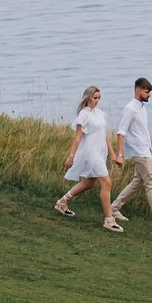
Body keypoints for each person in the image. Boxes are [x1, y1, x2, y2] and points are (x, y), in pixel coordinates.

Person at [109, 77, 152, 230]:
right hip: (138, 152)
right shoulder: (130, 109)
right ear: (138, 91)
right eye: (147, 92)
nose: (149, 95)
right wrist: (120, 155)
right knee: (151, 183)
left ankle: (114, 208)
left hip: (145, 150)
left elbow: (144, 132)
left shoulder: (141, 107)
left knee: (138, 182)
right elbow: (121, 133)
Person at [55, 86, 117, 228]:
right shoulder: (83, 115)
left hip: (100, 153)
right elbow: (77, 138)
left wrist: (113, 154)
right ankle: (109, 220)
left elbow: (105, 134)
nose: (97, 101)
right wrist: (71, 157)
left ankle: (62, 202)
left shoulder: (100, 113)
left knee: (90, 183)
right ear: (88, 98)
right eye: (95, 98)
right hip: (91, 153)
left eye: (99, 98)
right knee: (106, 183)